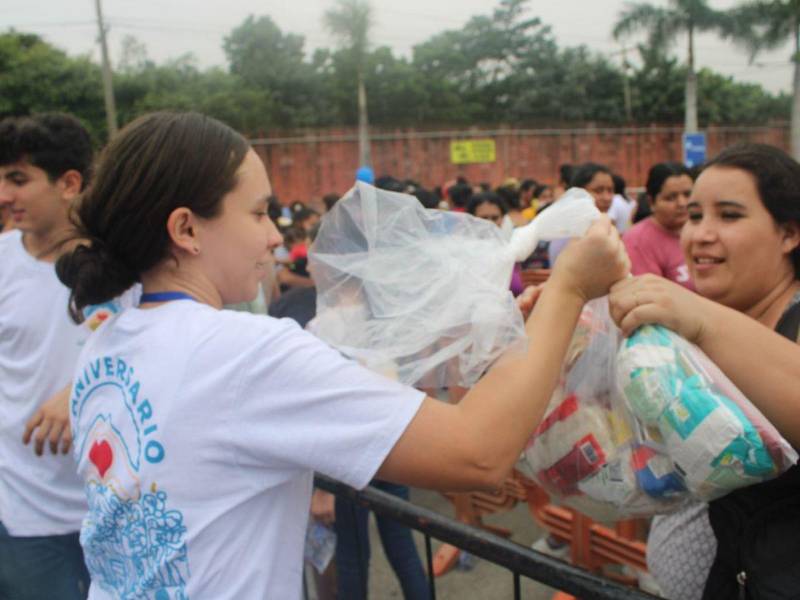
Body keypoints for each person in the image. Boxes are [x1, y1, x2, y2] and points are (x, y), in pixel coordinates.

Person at [54, 111, 627, 599]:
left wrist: (513, 345)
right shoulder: (238, 352)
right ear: (186, 229)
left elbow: (354, 382)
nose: (274, 238)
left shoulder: (110, 339)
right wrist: (570, 290)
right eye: (258, 213)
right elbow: (476, 455)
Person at [609, 143, 800, 600]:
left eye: (729, 216)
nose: (700, 235)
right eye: (695, 217)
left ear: (789, 233)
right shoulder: (710, 326)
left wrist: (700, 317)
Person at [0, 113, 130, 600]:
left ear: (70, 183)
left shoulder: (124, 266)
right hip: (24, 511)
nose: (4, 196)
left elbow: (160, 352)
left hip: (119, 502)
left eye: (18, 179)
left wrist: (81, 389)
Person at [623, 162, 694, 290]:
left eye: (687, 195)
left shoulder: (702, 231)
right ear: (651, 202)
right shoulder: (637, 241)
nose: (682, 203)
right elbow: (650, 297)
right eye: (671, 198)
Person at [549, 162, 616, 266]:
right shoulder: (571, 232)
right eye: (598, 190)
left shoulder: (601, 226)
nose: (607, 198)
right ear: (579, 193)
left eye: (610, 190)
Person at [466, 192, 524, 296]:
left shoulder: (512, 249)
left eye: (495, 217)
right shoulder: (465, 253)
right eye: (484, 218)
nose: (490, 223)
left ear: (502, 218)